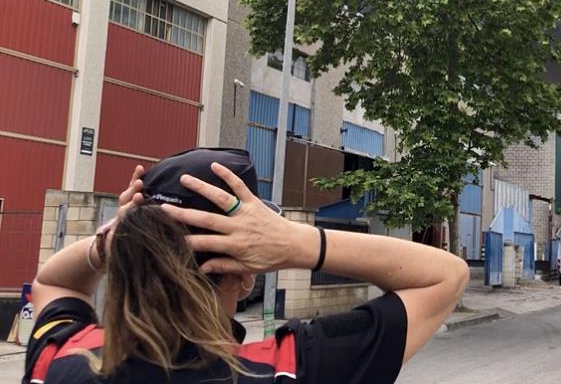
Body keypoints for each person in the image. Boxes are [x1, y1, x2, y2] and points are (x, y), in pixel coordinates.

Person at [24, 147, 469, 383]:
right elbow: (445, 275)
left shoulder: (64, 362)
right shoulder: (290, 369)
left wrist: (115, 241)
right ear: (246, 272)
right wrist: (297, 242)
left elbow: (53, 282)